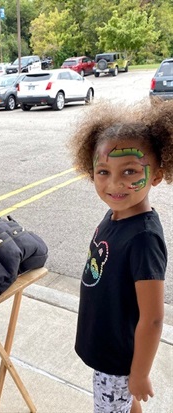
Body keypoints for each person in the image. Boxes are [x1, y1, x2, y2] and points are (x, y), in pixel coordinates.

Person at [69, 99, 173, 413]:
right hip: (105, 342)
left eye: (129, 171)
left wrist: (139, 373)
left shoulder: (143, 238)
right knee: (122, 406)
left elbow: (153, 318)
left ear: (156, 175)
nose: (114, 183)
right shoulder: (116, 214)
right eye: (103, 171)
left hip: (118, 356)